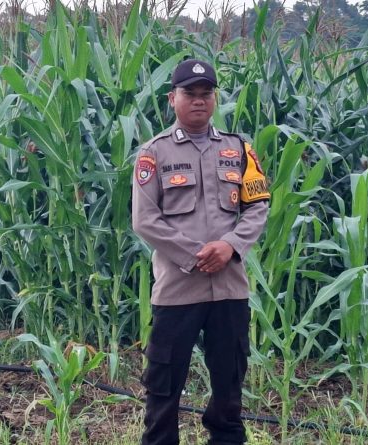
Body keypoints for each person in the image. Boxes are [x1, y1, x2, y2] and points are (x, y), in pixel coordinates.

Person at [131, 59, 270, 445]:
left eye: (205, 93)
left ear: (214, 98)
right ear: (171, 99)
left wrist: (230, 246)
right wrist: (197, 255)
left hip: (229, 288)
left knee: (229, 383)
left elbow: (258, 205)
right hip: (178, 289)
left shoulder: (239, 149)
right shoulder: (154, 153)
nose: (198, 100)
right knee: (164, 384)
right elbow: (145, 220)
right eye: (189, 94)